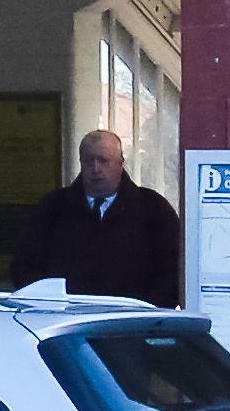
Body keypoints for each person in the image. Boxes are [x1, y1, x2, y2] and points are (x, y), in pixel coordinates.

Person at [16, 128, 183, 306]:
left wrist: (149, 311)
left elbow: (173, 270)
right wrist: (47, 305)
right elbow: (25, 266)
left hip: (134, 322)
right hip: (66, 320)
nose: (96, 169)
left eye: (103, 161)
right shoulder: (53, 208)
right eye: (89, 161)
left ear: (120, 163)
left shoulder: (153, 209)